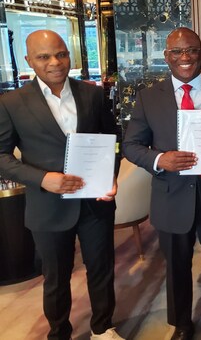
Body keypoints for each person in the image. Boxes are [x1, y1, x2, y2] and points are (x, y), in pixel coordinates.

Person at [122, 27, 201, 340]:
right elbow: (131, 145)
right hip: (171, 197)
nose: (185, 57)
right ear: (167, 57)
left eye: (192, 50)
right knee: (176, 266)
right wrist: (159, 159)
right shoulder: (149, 98)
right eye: (177, 51)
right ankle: (182, 324)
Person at [0, 30, 123, 340]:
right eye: (44, 57)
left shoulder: (92, 94)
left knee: (102, 269)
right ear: (29, 60)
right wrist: (43, 179)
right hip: (47, 206)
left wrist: (110, 176)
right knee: (55, 277)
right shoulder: (11, 103)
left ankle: (102, 328)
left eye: (61, 54)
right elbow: (1, 156)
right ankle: (59, 332)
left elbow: (112, 140)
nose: (55, 62)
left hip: (94, 201)